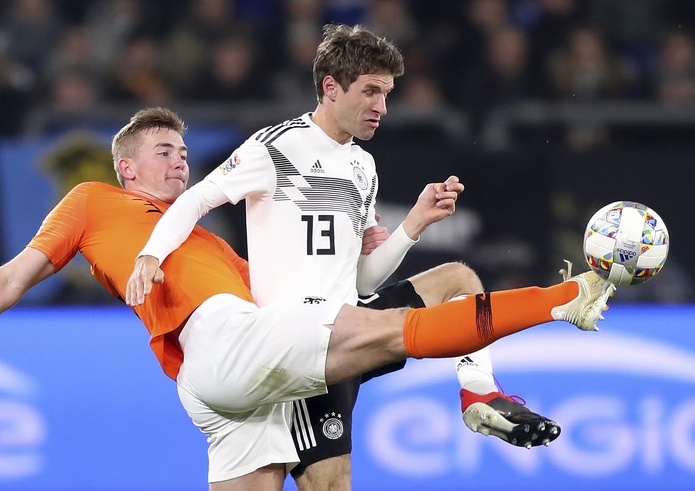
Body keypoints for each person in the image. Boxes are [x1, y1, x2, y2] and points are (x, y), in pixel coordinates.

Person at [0, 107, 615, 491]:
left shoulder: (224, 247)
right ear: (126, 165)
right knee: (398, 333)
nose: (179, 159)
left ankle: (479, 392)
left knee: (447, 282)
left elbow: (344, 292)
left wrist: (412, 225)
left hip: (254, 359)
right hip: (228, 349)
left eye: (183, 150)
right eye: (163, 151)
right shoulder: (92, 202)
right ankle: (563, 299)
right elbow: (10, 276)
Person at [127, 23, 560, 490]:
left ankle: (479, 394)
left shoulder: (362, 166)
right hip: (296, 343)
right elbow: (196, 199)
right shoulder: (275, 147)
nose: (382, 107)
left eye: (388, 94)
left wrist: (412, 225)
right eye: (371, 91)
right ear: (330, 88)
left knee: (458, 278)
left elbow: (363, 280)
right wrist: (151, 254)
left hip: (348, 322)